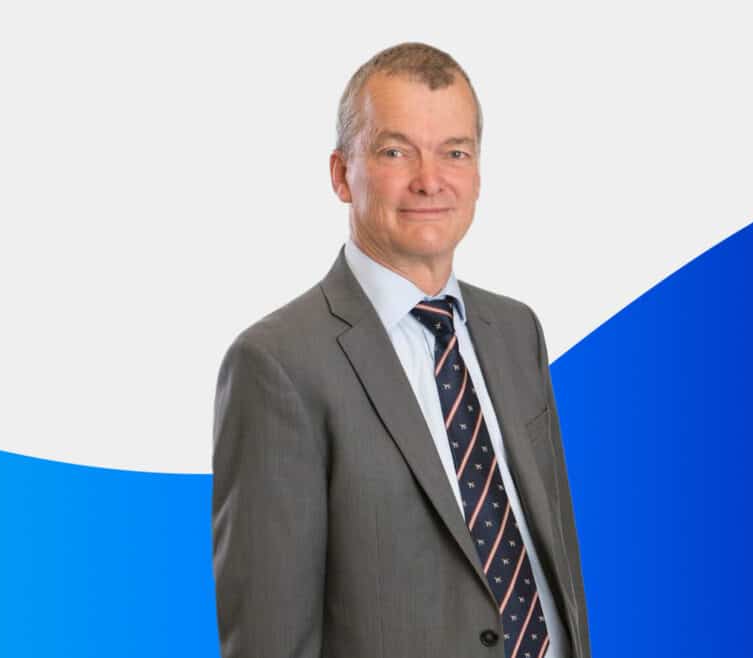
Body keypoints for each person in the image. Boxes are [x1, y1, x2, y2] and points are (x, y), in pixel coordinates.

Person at [212, 42, 591, 658]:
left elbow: (556, 570)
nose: (430, 180)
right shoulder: (278, 365)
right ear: (341, 174)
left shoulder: (516, 331)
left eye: (455, 153)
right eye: (395, 151)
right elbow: (269, 642)